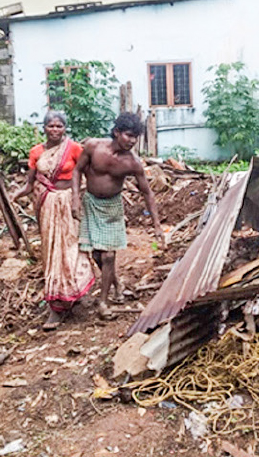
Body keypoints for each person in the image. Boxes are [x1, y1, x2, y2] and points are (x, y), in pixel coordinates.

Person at [71, 112, 164, 320]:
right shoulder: (94, 147)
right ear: (116, 132)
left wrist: (157, 225)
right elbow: (77, 171)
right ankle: (116, 283)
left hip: (112, 207)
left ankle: (103, 302)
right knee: (96, 255)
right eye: (128, 135)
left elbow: (147, 192)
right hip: (91, 204)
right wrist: (75, 198)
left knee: (109, 255)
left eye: (135, 138)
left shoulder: (133, 163)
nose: (131, 141)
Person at [11, 111, 94, 330]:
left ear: (65, 128)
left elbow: (85, 177)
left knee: (71, 249)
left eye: (59, 126)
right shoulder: (36, 152)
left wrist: (85, 200)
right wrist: (15, 195)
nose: (55, 130)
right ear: (44, 128)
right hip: (46, 205)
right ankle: (56, 307)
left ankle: (75, 293)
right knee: (51, 253)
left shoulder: (74, 149)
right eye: (51, 126)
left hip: (69, 204)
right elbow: (29, 183)